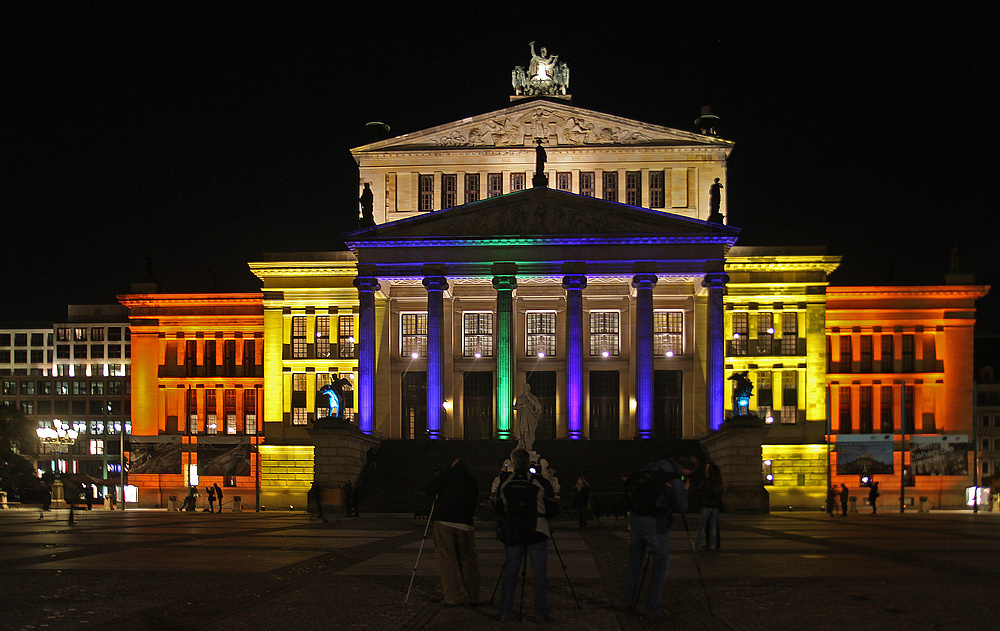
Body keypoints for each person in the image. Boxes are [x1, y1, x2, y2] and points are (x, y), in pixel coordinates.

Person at [621, 456, 696, 617]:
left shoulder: (654, 465)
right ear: (687, 470)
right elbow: (681, 506)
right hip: (654, 523)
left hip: (635, 518)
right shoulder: (673, 475)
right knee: (661, 565)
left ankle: (627, 600)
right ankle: (652, 606)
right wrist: (685, 490)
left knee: (634, 562)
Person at [496, 449, 557, 622]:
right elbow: (552, 508)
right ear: (529, 463)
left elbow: (500, 509)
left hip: (514, 532)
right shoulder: (541, 482)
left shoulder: (506, 483)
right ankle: (541, 613)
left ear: (513, 463)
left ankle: (505, 612)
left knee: (510, 573)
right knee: (539, 575)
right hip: (537, 530)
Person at [426, 459, 481, 607]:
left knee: (447, 561)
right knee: (469, 562)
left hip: (445, 521)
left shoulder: (446, 474)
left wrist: (437, 476)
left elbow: (430, 489)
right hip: (465, 524)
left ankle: (451, 597)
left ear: (453, 465)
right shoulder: (471, 479)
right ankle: (474, 596)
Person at [695, 463, 724, 550]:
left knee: (702, 526)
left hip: (706, 505)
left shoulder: (706, 481)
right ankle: (713, 545)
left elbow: (700, 489)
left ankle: (698, 544)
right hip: (715, 506)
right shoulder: (719, 482)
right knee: (713, 527)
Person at [514, 383, 542, 453]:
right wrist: (522, 406)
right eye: (524, 387)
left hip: (530, 419)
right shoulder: (520, 398)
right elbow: (515, 407)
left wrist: (529, 398)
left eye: (527, 387)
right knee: (523, 432)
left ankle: (528, 447)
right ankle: (522, 446)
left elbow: (537, 407)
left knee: (529, 433)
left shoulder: (533, 397)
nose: (525, 389)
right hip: (522, 418)